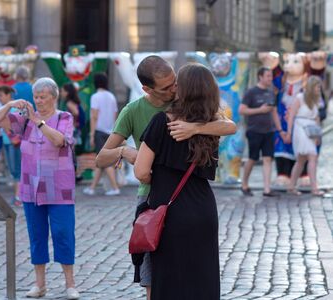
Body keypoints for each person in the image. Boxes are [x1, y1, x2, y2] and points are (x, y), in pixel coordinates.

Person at [95, 56, 236, 299]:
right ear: (147, 89)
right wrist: (125, 151)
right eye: (167, 87)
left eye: (176, 83)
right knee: (191, 278)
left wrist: (195, 128)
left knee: (165, 280)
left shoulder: (185, 115)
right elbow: (101, 158)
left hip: (165, 202)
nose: (173, 89)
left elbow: (230, 126)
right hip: (175, 202)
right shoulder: (135, 111)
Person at [134, 62, 226, 300]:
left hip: (169, 213)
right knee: (202, 280)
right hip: (204, 210)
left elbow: (141, 171)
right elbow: (230, 126)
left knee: (170, 281)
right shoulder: (212, 125)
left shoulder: (161, 122)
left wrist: (160, 177)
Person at [0, 77, 80, 300]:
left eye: (43, 97)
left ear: (54, 97)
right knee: (37, 235)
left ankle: (70, 284)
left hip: (59, 188)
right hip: (31, 187)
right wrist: (11, 104)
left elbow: (60, 140)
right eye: (36, 97)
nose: (38, 101)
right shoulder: (24, 120)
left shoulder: (64, 117)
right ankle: (39, 284)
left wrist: (39, 121)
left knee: (63, 233)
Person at [239, 67, 284, 197]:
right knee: (253, 158)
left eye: (271, 76)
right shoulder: (251, 92)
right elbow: (242, 110)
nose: (270, 78)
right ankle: (244, 184)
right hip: (254, 131)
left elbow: (274, 112)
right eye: (268, 76)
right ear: (260, 76)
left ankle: (267, 189)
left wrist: (280, 130)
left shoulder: (271, 92)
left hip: (269, 131)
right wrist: (260, 110)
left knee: (268, 159)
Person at [83, 73, 120, 196]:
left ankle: (115, 188)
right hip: (111, 132)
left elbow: (94, 116)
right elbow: (116, 115)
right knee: (100, 161)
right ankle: (92, 188)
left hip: (99, 131)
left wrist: (92, 134)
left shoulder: (95, 97)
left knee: (105, 161)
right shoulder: (112, 97)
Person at [286, 76, 324, 196]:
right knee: (312, 156)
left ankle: (291, 186)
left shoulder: (316, 100)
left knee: (301, 160)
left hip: (311, 130)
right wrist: (289, 132)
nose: (319, 89)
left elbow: (317, 118)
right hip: (301, 128)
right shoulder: (300, 97)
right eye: (318, 87)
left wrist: (318, 136)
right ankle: (314, 188)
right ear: (312, 86)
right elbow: (291, 115)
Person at [0, 85, 22, 206]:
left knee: (16, 169)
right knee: (13, 170)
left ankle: (19, 197)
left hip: (14, 143)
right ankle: (17, 196)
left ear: (8, 95)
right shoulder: (5, 109)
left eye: (1, 95)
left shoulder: (13, 109)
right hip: (8, 142)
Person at [61, 83, 86, 182]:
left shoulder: (69, 103)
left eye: (62, 91)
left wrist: (72, 123)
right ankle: (77, 174)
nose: (61, 93)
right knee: (72, 153)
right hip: (74, 130)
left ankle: (75, 174)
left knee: (70, 154)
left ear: (67, 92)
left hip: (72, 131)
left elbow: (75, 112)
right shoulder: (74, 102)